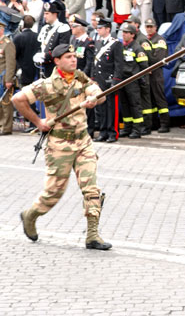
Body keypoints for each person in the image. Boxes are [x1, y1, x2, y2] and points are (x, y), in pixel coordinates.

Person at [13, 44, 112, 251]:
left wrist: (95, 98)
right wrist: (38, 122)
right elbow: (18, 99)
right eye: (68, 57)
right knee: (53, 193)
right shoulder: (46, 85)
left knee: (91, 188)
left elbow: (99, 94)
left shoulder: (81, 78)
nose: (73, 60)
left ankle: (92, 235)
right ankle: (30, 215)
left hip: (83, 142)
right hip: (59, 144)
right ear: (57, 61)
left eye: (74, 56)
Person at [92, 17, 123, 142]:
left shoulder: (116, 44)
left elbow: (119, 64)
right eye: (98, 28)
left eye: (100, 28)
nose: (98, 30)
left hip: (110, 80)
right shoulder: (98, 43)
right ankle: (103, 131)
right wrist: (93, 78)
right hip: (100, 80)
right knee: (101, 108)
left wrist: (116, 80)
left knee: (112, 108)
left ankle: (112, 132)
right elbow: (95, 63)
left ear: (107, 29)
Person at [119, 23, 148, 139]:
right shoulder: (122, 46)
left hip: (133, 81)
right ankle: (127, 128)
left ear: (132, 35)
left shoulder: (137, 48)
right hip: (123, 80)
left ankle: (137, 129)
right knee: (125, 104)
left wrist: (141, 80)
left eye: (126, 33)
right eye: (123, 32)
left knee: (135, 105)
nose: (123, 35)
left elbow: (144, 66)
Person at [13, 15, 41, 132]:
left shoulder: (18, 37)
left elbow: (14, 55)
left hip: (23, 71)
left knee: (27, 97)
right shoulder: (37, 36)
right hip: (36, 70)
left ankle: (32, 122)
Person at [144, 17, 170, 133]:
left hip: (156, 73)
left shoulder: (160, 40)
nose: (149, 29)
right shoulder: (146, 40)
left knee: (159, 98)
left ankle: (165, 124)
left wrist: (147, 65)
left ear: (155, 27)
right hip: (148, 73)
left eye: (151, 27)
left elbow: (158, 59)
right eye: (147, 27)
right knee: (151, 99)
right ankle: (154, 123)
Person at [36, 1, 71, 77]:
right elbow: (40, 45)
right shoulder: (45, 28)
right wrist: (38, 54)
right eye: (44, 14)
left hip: (55, 66)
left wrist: (46, 55)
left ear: (55, 14)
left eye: (47, 14)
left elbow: (62, 49)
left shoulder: (63, 28)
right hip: (43, 66)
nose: (44, 16)